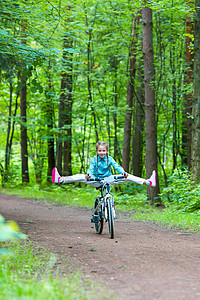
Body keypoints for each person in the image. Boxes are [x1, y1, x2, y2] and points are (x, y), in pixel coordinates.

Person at [52, 141, 156, 187]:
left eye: (103, 151)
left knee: (128, 176)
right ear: (97, 152)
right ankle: (61, 179)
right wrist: (88, 175)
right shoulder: (94, 159)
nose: (102, 153)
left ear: (106, 151)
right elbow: (91, 168)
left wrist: (123, 172)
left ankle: (147, 182)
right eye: (99, 151)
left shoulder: (109, 159)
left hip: (108, 179)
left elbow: (116, 166)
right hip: (95, 179)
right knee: (80, 176)